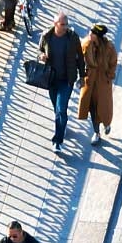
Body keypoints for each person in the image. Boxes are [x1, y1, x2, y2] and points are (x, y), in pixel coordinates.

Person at [39, 11, 85, 153]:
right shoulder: (47, 36)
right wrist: (41, 56)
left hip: (67, 80)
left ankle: (57, 141)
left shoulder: (72, 38)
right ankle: (62, 126)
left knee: (61, 109)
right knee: (57, 108)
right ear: (55, 24)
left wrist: (82, 76)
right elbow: (39, 50)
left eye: (66, 24)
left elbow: (80, 58)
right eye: (62, 24)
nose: (65, 27)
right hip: (52, 79)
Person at [78, 24, 118, 145]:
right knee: (92, 108)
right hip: (90, 82)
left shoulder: (108, 47)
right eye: (90, 32)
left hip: (102, 82)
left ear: (98, 36)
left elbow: (113, 62)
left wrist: (109, 76)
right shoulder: (85, 44)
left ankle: (106, 123)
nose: (90, 35)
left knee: (104, 107)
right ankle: (96, 132)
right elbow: (80, 60)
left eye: (93, 33)